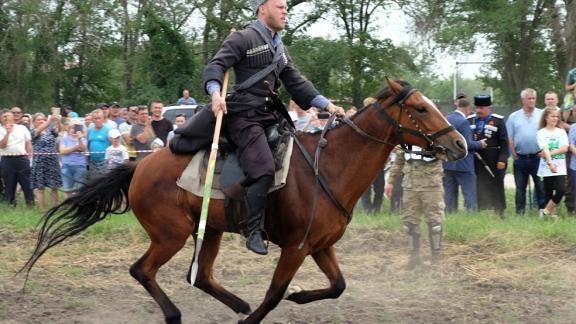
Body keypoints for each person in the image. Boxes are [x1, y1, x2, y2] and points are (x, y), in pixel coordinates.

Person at [202, 0, 344, 255]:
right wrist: (215, 94)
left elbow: (297, 84)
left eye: (286, 7)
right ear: (262, 8)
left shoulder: (281, 48)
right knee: (264, 167)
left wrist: (327, 104)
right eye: (280, 6)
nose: (285, 11)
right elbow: (216, 66)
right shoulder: (244, 37)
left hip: (270, 117)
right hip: (244, 118)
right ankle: (254, 230)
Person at [385, 145, 445, 268]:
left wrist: (433, 149)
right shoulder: (407, 141)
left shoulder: (435, 136)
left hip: (431, 185)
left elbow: (448, 154)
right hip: (410, 185)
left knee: (435, 224)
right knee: (409, 223)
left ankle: (435, 258)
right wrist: (390, 181)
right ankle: (414, 257)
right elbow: (399, 161)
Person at [506, 88, 545, 214]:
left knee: (540, 187)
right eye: (529, 98)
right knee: (520, 188)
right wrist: (514, 154)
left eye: (533, 98)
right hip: (520, 158)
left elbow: (547, 133)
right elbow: (510, 138)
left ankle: (542, 211)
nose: (532, 101)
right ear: (523, 100)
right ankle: (520, 212)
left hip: (537, 158)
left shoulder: (542, 114)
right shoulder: (514, 116)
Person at [468, 95, 509, 215]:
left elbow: (504, 142)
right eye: (477, 107)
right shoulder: (469, 120)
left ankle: (499, 209)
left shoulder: (498, 121)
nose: (479, 110)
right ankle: (482, 209)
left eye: (482, 108)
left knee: (496, 183)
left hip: (494, 157)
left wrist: (503, 159)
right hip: (476, 158)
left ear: (489, 108)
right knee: (479, 184)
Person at [443, 98, 485, 212]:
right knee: (469, 193)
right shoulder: (463, 122)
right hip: (464, 164)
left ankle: (450, 214)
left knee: (449, 194)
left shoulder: (446, 119)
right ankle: (471, 214)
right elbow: (467, 144)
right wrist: (480, 144)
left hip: (448, 163)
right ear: (468, 108)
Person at [537, 107, 569, 219]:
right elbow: (544, 148)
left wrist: (549, 153)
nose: (555, 118)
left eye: (557, 116)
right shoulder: (541, 133)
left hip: (560, 167)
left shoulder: (561, 132)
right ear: (546, 118)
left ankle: (545, 212)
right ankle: (551, 215)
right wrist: (550, 162)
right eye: (552, 116)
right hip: (547, 167)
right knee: (548, 193)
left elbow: (565, 148)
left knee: (561, 190)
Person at [0, 110, 34, 206]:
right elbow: (2, 146)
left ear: (13, 117)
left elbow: (28, 143)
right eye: (4, 116)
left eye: (8, 116)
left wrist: (29, 158)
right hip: (7, 159)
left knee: (26, 183)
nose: (6, 118)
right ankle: (10, 204)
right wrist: (7, 133)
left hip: (22, 159)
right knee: (9, 183)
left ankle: (30, 203)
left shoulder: (22, 128)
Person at [30, 112, 63, 209]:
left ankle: (54, 208)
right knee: (40, 188)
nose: (41, 121)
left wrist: (58, 121)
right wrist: (49, 120)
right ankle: (42, 209)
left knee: (54, 187)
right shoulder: (33, 131)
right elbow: (39, 130)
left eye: (42, 119)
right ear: (34, 122)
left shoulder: (50, 130)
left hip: (52, 161)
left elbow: (60, 130)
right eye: (38, 119)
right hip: (40, 162)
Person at [59, 119, 87, 199]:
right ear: (68, 129)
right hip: (67, 166)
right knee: (68, 190)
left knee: (79, 189)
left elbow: (82, 148)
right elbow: (63, 151)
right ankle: (67, 206)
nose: (73, 130)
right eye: (72, 127)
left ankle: (78, 206)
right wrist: (75, 147)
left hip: (80, 166)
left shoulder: (83, 139)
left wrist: (79, 139)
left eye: (76, 128)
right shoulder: (64, 138)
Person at [87, 109, 111, 179]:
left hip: (104, 162)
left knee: (104, 182)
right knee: (94, 183)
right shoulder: (89, 130)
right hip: (92, 161)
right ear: (92, 120)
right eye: (95, 118)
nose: (97, 120)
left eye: (99, 118)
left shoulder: (108, 130)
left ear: (103, 119)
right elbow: (88, 144)